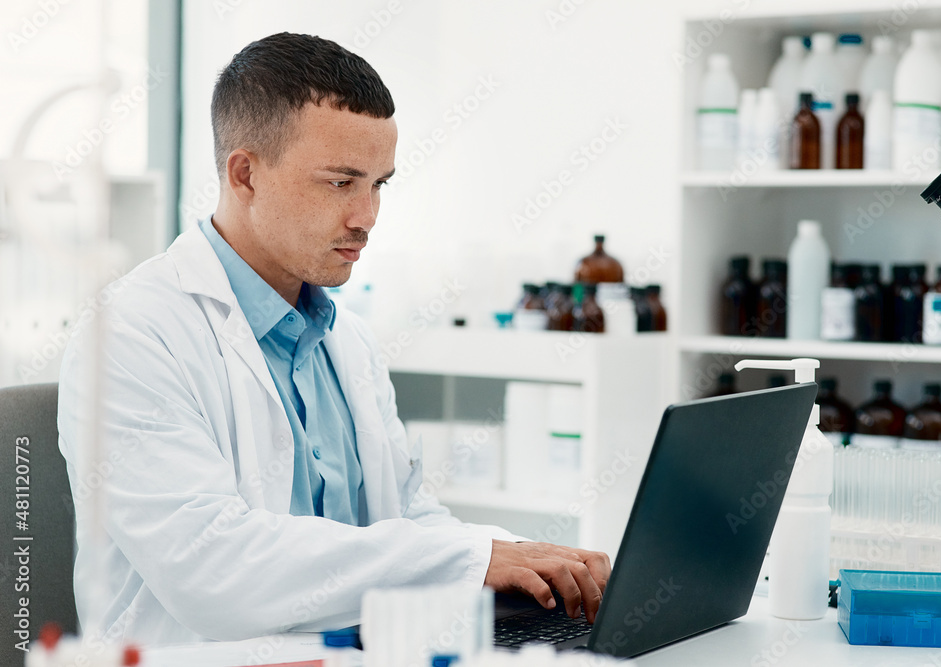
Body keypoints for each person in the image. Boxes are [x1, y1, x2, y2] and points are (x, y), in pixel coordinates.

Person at [57, 32, 610, 646]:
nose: (367, 217)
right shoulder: (131, 336)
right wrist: (469, 559)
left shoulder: (346, 341)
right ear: (245, 174)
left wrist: (532, 560)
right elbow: (214, 571)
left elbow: (408, 520)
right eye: (341, 182)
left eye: (379, 184)